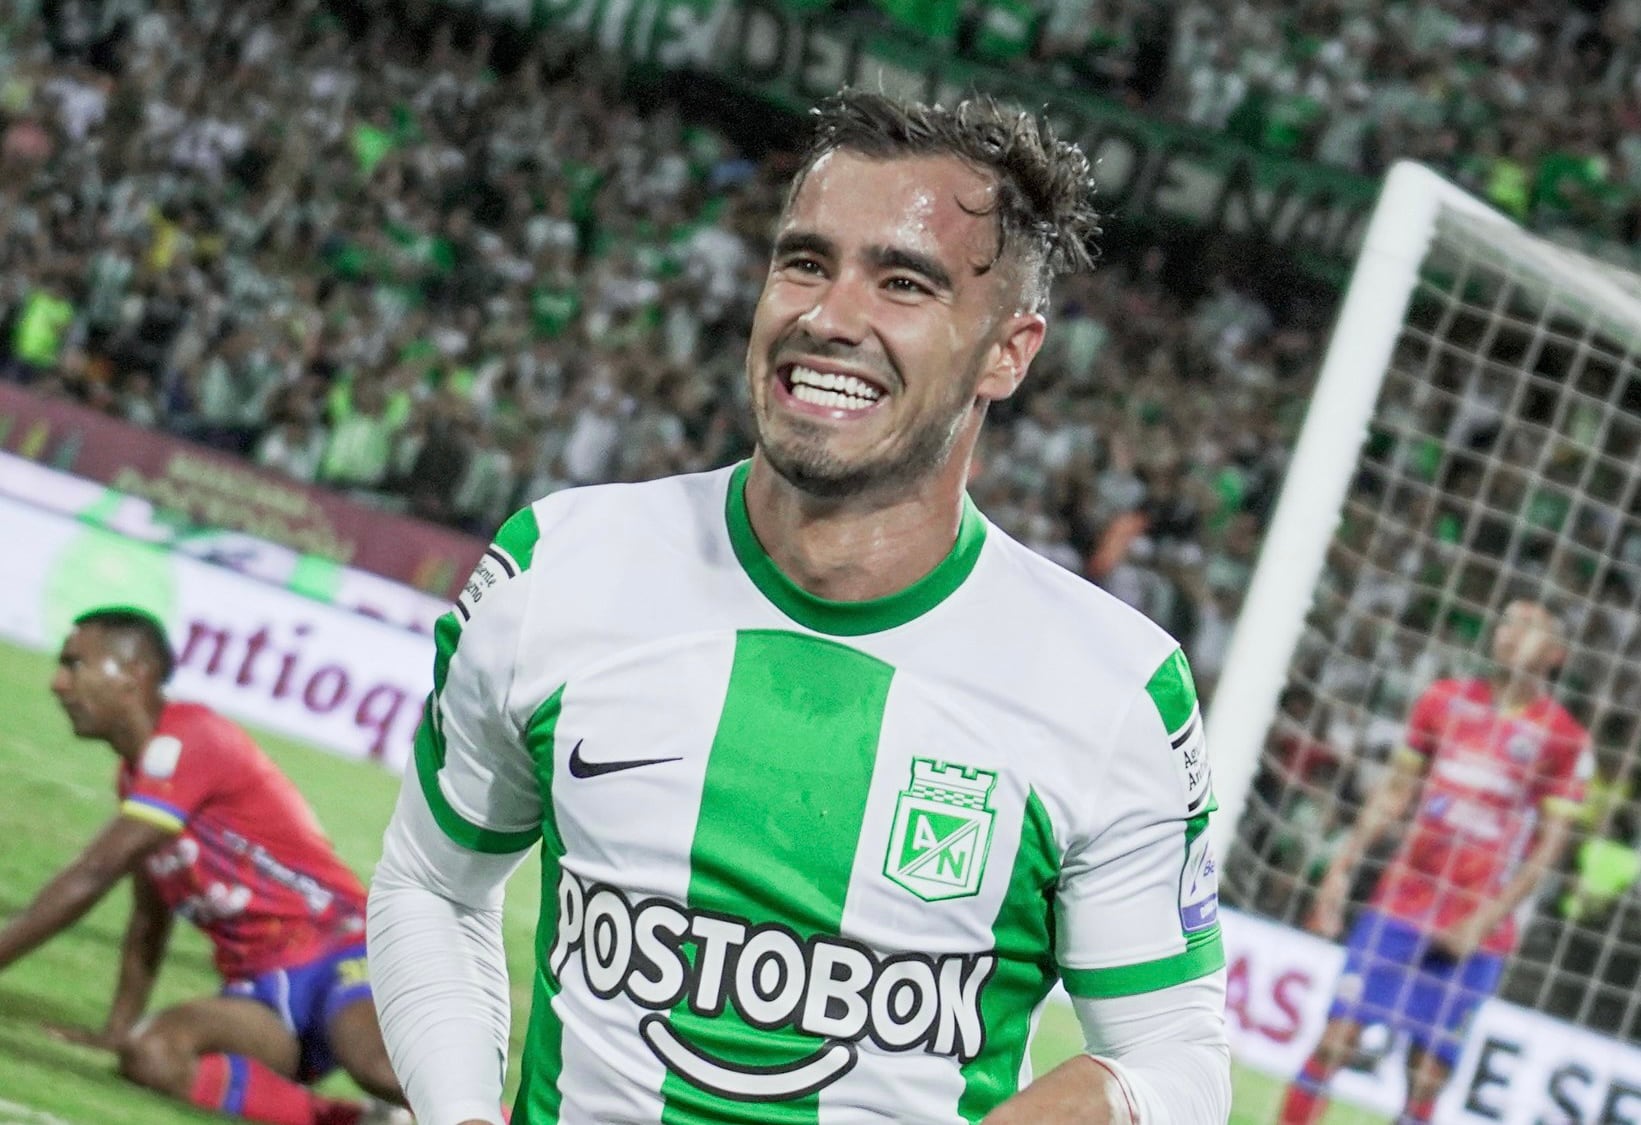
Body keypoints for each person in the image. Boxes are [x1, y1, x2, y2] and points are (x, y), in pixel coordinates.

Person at [367, 88, 1232, 1125]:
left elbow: (1175, 1056)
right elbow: (433, 884)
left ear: (1009, 350)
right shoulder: (560, 566)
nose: (829, 317)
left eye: (903, 281)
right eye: (805, 261)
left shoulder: (1111, 688)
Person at [0, 607, 408, 1125]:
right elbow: (150, 916)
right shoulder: (137, 779)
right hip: (261, 992)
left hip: (344, 950)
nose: (59, 683)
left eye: (74, 664)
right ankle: (360, 1121)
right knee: (152, 1054)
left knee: (381, 1068)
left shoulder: (194, 737)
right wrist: (117, 1028)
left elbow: (92, 874)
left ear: (133, 674)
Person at [1278, 599, 1591, 1125]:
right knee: (1336, 1039)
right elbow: (1396, 792)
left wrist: (1485, 920)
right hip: (1403, 900)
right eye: (1508, 621)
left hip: (1477, 923)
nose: (1511, 634)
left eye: (1530, 628)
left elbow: (1547, 851)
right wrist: (1342, 865)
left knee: (1426, 1075)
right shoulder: (1443, 700)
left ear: (1555, 654)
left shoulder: (1563, 738)